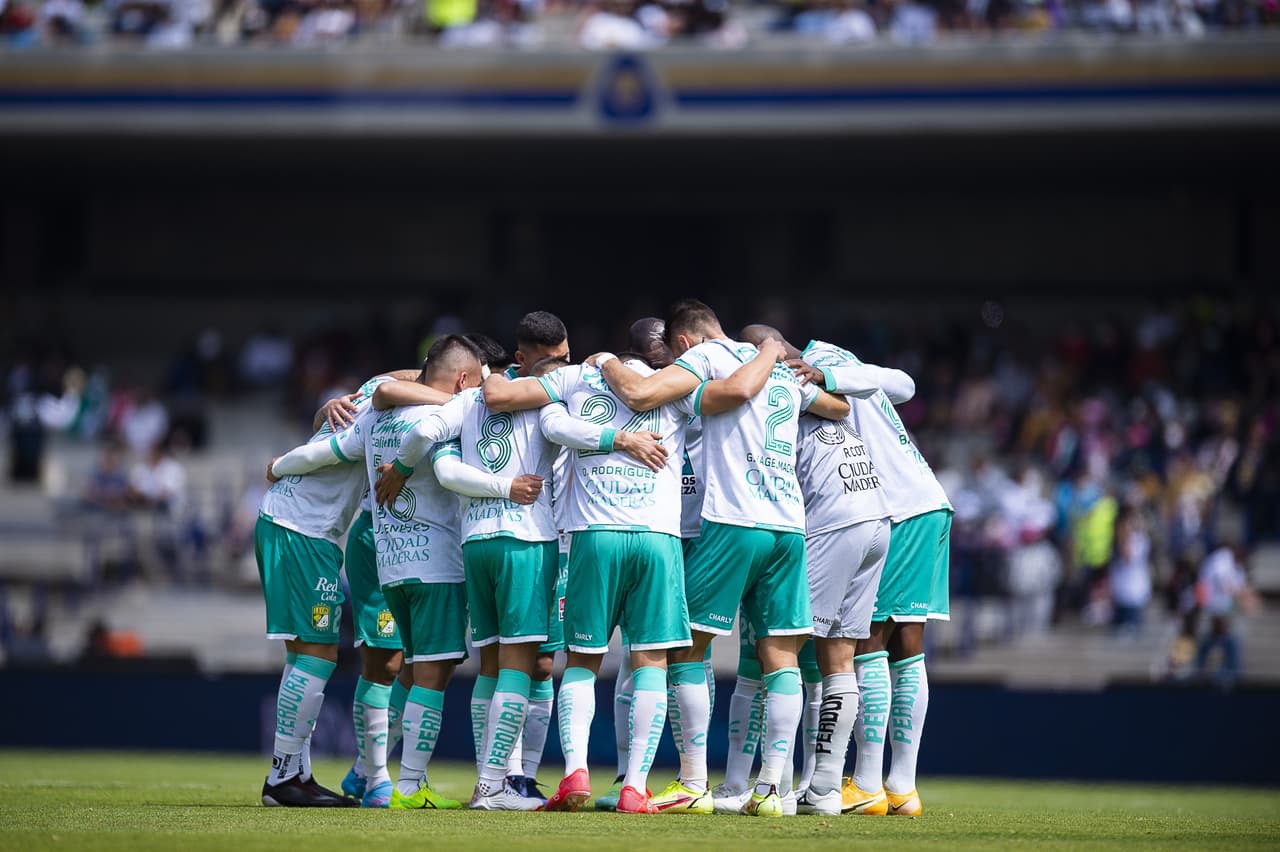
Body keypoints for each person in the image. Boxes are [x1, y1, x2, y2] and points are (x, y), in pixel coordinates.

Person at [587, 299, 850, 817]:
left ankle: (692, 782)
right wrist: (779, 357)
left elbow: (640, 394)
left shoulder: (708, 357)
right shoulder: (778, 370)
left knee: (684, 650)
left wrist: (605, 361)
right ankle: (772, 790)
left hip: (733, 520)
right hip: (788, 524)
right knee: (781, 657)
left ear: (685, 341)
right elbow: (838, 407)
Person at [371, 350, 665, 810]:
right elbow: (563, 430)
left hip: (475, 543)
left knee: (489, 666)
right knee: (518, 666)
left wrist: (403, 468)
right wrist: (620, 439)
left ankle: (490, 780)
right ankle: (497, 785)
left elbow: (425, 437)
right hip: (527, 539)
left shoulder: (467, 402)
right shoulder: (542, 403)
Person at [267, 335, 492, 810]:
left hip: (326, 528)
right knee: (354, 658)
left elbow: (351, 421)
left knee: (325, 655)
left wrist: (284, 461)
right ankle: (316, 776)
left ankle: (321, 773)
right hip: (335, 529)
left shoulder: (390, 398)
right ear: (462, 378)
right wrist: (279, 465)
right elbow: (378, 397)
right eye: (480, 381)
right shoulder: (424, 407)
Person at [741, 325, 910, 816]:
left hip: (834, 522)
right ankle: (825, 790)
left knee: (781, 647)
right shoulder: (822, 389)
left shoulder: (773, 388)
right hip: (875, 516)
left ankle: (772, 786)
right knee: (839, 656)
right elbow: (882, 391)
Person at [787, 336, 949, 818]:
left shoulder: (816, 365)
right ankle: (901, 786)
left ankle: (867, 783)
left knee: (864, 641)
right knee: (907, 647)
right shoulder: (839, 358)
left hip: (894, 508)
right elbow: (902, 384)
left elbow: (905, 384)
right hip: (926, 501)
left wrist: (822, 375)